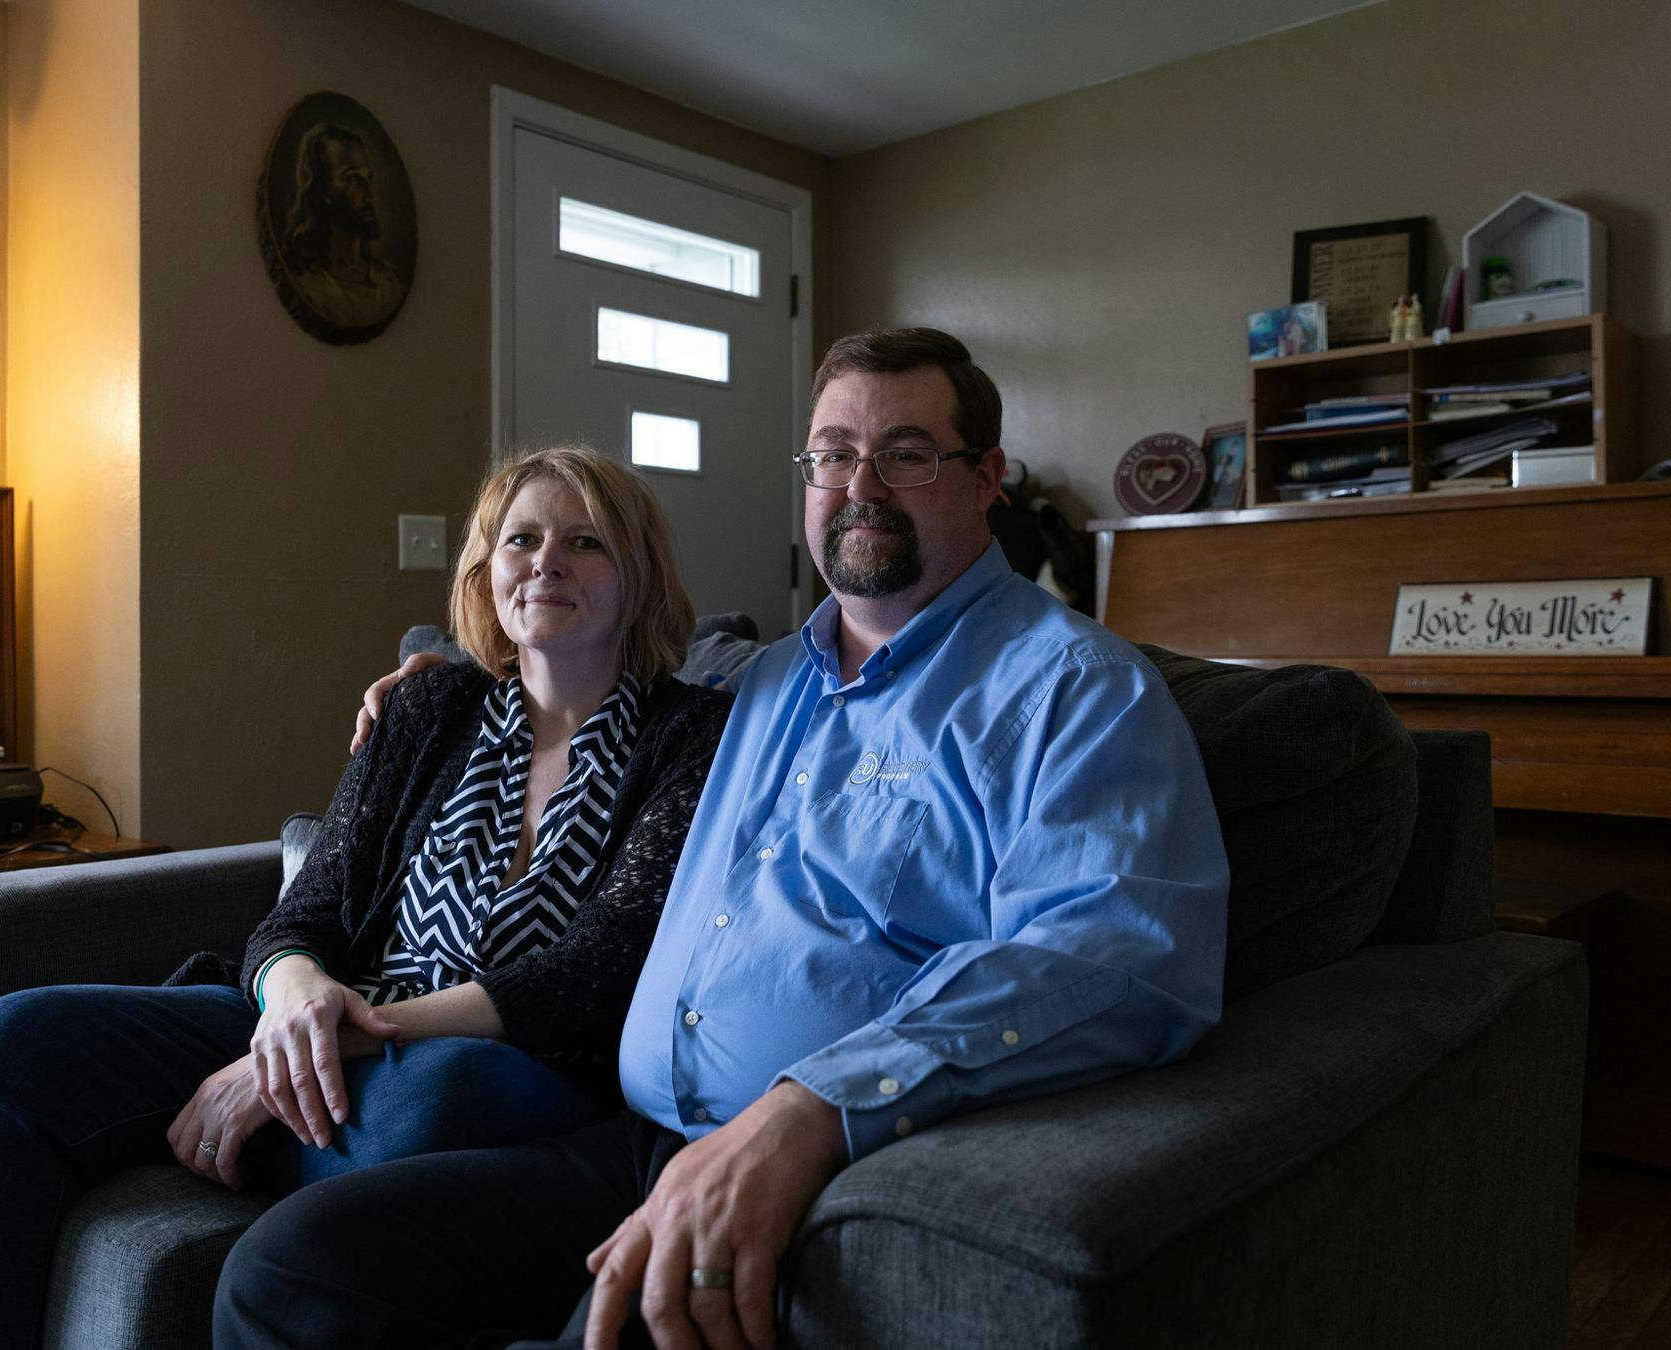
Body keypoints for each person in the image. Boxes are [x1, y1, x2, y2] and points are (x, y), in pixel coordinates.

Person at [225, 328, 1230, 1350]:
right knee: (289, 1274)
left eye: (907, 453)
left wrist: (810, 1112)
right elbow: (570, 650)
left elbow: (1116, 958)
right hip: (621, 1143)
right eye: (832, 453)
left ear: (986, 480)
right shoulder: (746, 685)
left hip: (815, 1161)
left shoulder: (1072, 689)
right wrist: (431, 678)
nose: (860, 485)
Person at [0, 447, 731, 1349]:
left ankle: (256, 1122)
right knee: (2, 1046)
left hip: (482, 1065)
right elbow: (301, 914)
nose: (546, 560)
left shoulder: (695, 740)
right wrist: (294, 995)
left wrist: (291, 1064)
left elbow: (598, 970)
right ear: (488, 575)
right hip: (319, 1031)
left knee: (445, 1102)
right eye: (522, 539)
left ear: (639, 576)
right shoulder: (426, 711)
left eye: (583, 542)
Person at [281, 122, 407, 330]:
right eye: (351, 178)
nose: (369, 194)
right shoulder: (308, 286)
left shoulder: (390, 286)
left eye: (368, 178)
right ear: (321, 191)